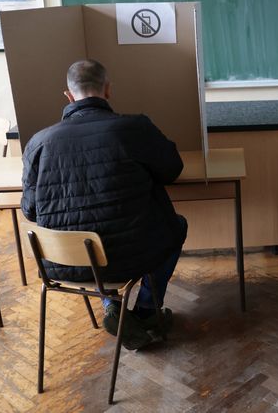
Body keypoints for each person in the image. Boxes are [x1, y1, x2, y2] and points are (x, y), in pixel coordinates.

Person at [21, 59, 187, 350]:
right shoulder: (134, 128)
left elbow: (30, 210)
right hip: (131, 255)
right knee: (177, 227)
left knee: (95, 242)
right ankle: (147, 311)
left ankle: (111, 304)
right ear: (108, 90)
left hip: (64, 264)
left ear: (68, 96)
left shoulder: (39, 143)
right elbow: (172, 169)